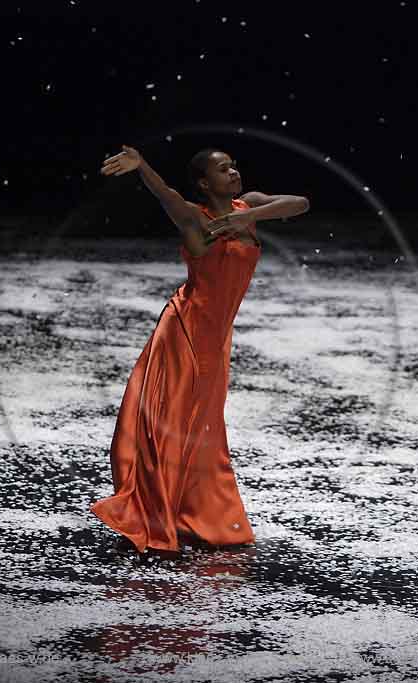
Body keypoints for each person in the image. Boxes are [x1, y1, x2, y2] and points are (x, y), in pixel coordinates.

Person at [89, 144, 310, 554]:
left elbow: (300, 203)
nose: (233, 172)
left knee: (206, 430)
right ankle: (159, 514)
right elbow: (166, 195)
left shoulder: (250, 205)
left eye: (234, 164)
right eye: (223, 169)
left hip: (216, 340)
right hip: (185, 333)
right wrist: (144, 168)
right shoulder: (196, 218)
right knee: (173, 424)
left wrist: (249, 216)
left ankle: (195, 514)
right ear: (205, 183)